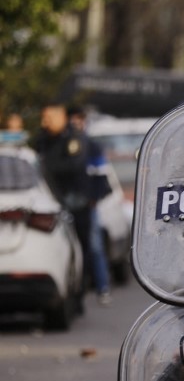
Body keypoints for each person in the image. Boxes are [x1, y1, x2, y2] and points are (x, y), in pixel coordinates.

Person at [34, 103, 105, 308]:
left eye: (48, 117)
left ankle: (79, 295)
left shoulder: (75, 138)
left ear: (61, 117)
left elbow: (74, 165)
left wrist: (45, 166)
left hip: (76, 204)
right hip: (51, 204)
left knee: (82, 249)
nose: (44, 122)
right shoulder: (43, 140)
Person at [68, 105, 113, 306]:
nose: (77, 123)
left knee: (95, 247)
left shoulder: (91, 146)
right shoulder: (64, 146)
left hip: (89, 206)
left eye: (80, 119)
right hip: (67, 205)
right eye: (74, 119)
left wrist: (93, 200)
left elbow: (102, 178)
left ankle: (102, 288)